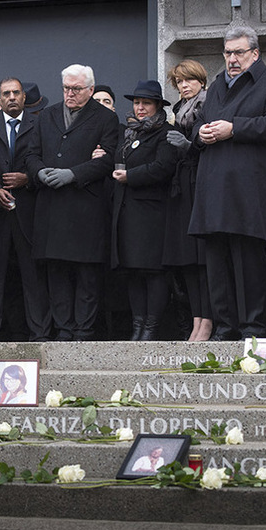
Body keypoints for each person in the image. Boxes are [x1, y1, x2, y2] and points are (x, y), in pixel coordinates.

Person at [188, 25, 266, 340]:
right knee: (216, 263)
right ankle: (225, 326)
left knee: (248, 261)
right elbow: (198, 125)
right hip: (213, 187)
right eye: (227, 52)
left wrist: (234, 128)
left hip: (249, 189)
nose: (232, 59)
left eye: (238, 53)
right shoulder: (218, 85)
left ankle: (252, 328)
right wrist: (201, 135)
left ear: (255, 53)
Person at [27, 64, 119, 340]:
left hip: (84, 209)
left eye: (76, 89)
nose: (70, 93)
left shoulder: (105, 118)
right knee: (56, 272)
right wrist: (39, 171)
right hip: (51, 207)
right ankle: (64, 329)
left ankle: (83, 331)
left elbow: (108, 161)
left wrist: (74, 174)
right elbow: (31, 153)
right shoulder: (48, 115)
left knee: (86, 274)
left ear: (90, 89)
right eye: (66, 87)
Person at [0, 77, 51, 342]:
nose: (11, 98)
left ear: (24, 97)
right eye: (6, 94)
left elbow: (47, 160)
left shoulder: (39, 124)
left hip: (29, 209)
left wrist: (28, 179)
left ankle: (39, 332)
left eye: (16, 93)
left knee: (33, 273)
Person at [103, 80, 177, 340]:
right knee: (133, 272)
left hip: (152, 216)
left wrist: (130, 176)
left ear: (157, 105)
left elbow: (163, 167)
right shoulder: (130, 133)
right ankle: (137, 327)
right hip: (127, 214)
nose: (140, 108)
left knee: (153, 272)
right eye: (137, 103)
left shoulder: (166, 133)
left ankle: (151, 328)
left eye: (146, 103)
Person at [163, 59, 212, 341]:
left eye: (188, 80)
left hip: (201, 184)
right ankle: (197, 320)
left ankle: (208, 321)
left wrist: (189, 146)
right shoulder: (178, 110)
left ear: (201, 81)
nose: (183, 86)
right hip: (183, 186)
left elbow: (206, 145)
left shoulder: (207, 104)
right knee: (188, 258)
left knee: (203, 256)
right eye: (179, 81)